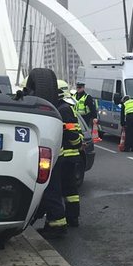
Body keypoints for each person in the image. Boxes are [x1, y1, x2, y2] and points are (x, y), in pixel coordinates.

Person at [36, 80, 84, 237]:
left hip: (67, 155)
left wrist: (76, 146)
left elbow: (72, 134)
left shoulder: (62, 110)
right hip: (69, 155)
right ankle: (71, 218)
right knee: (69, 191)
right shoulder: (65, 107)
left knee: (59, 190)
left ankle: (61, 223)